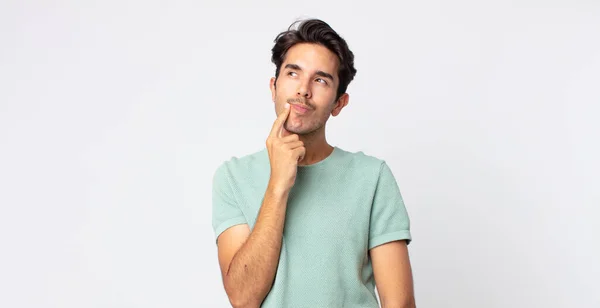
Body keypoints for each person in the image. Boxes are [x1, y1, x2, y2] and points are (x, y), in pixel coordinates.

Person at [212, 18, 415, 308]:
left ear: (338, 103)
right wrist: (278, 185)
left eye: (320, 80)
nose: (303, 90)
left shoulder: (372, 177)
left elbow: (400, 303)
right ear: (274, 86)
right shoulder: (232, 177)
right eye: (293, 73)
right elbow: (244, 298)